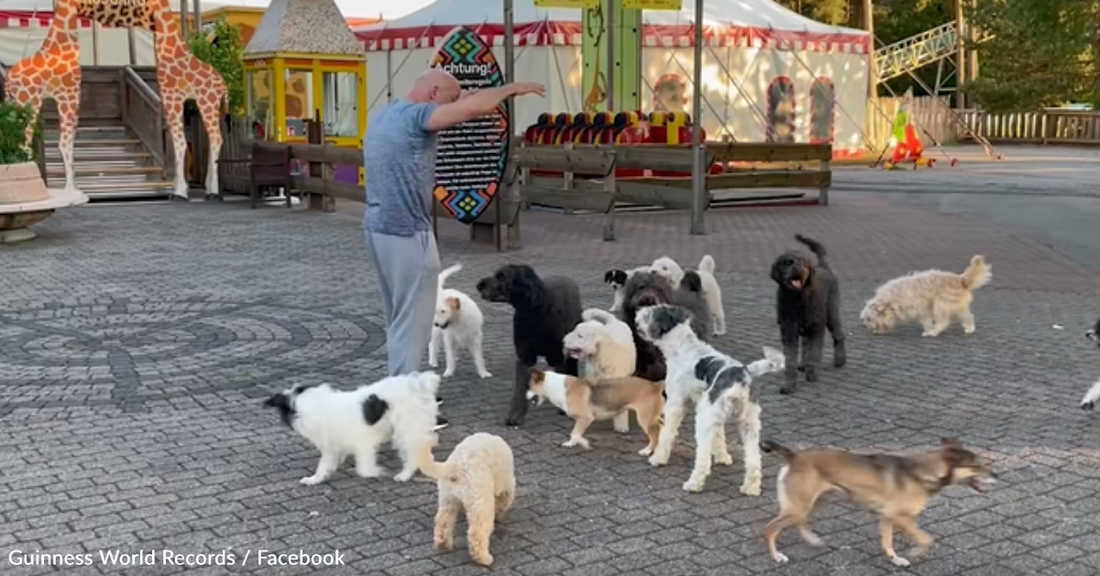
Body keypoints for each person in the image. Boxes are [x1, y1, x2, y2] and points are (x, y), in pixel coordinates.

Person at [363, 68, 545, 429]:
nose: (452, 109)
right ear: (432, 92)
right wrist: (511, 88)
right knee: (413, 325)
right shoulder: (417, 117)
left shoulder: (383, 115)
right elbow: (468, 111)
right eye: (449, 98)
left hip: (377, 229)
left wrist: (463, 97)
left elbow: (460, 106)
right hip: (407, 233)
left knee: (398, 320)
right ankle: (407, 408)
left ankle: (402, 391)